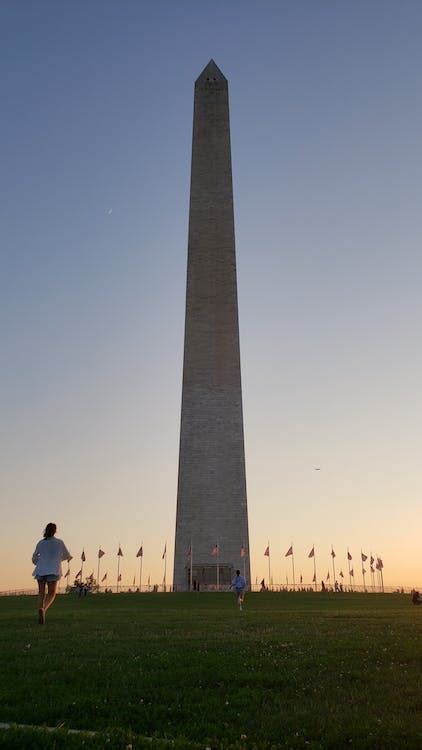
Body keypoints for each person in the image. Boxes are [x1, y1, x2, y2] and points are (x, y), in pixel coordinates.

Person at [32, 523, 71, 624]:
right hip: (53, 570)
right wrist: (58, 559)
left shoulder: (40, 543)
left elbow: (34, 558)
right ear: (55, 531)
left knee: (41, 593)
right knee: (51, 593)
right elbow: (67, 555)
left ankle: (40, 608)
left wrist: (39, 563)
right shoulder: (59, 542)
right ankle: (43, 609)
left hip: (40, 570)